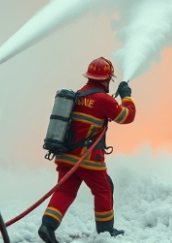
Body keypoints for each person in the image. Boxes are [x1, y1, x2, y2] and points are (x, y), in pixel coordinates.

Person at [38, 57, 136, 243]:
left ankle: (47, 226)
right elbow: (127, 116)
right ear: (107, 79)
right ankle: (106, 233)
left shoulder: (78, 95)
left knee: (65, 191)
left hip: (66, 156)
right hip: (88, 158)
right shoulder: (102, 99)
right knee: (104, 189)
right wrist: (127, 96)